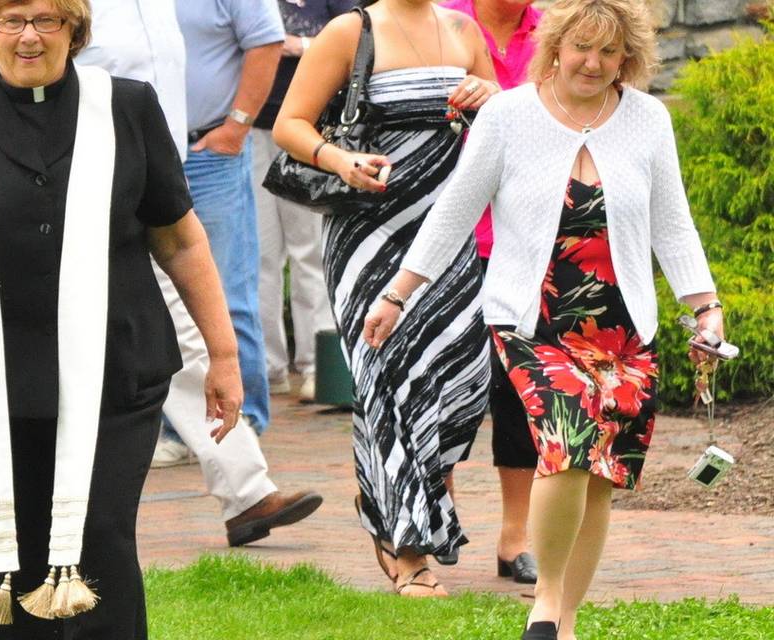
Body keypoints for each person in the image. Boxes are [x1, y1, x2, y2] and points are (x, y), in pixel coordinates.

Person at [0, 0, 243, 637]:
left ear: (75, 29)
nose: (28, 36)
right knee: (6, 553)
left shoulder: (126, 108)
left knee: (99, 541)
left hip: (116, 374)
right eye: (10, 20)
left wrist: (223, 357)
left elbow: (180, 240)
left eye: (47, 20)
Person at [363, 1, 722, 637]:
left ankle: (568, 618)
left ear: (627, 59)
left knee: (600, 476)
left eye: (609, 53)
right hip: (535, 320)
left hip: (621, 325)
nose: (594, 63)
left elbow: (673, 221)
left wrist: (705, 307)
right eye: (582, 47)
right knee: (568, 446)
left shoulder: (647, 120)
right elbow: (453, 213)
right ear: (554, 46)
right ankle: (546, 605)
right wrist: (398, 293)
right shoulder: (508, 116)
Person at [76, 0, 322, 548]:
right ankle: (28, 496)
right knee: (71, 336)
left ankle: (247, 494)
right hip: (87, 183)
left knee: (189, 332)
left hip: (157, 178)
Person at [274, 0, 499, 597]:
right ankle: (407, 548)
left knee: (461, 377)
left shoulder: (462, 30)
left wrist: (488, 94)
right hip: (368, 235)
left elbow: (503, 122)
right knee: (391, 377)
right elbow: (290, 123)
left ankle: (392, 490)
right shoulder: (351, 31)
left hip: (448, 235)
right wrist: (338, 160)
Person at [440, 0, 543, 585]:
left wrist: (499, 98)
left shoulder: (556, 32)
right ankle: (437, 513)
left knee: (516, 391)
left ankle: (515, 539)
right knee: (448, 384)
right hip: (445, 234)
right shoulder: (441, 22)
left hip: (524, 238)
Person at [174, 0, 283, 441]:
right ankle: (175, 425)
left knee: (227, 289)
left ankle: (245, 421)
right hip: (140, 151)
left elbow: (267, 41)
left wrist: (237, 125)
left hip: (209, 152)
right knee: (152, 299)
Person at [253, 0, 352, 402]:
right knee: (260, 253)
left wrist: (300, 45)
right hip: (253, 128)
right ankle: (266, 365)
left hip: (312, 132)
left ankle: (317, 365)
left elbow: (352, 39)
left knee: (310, 252)